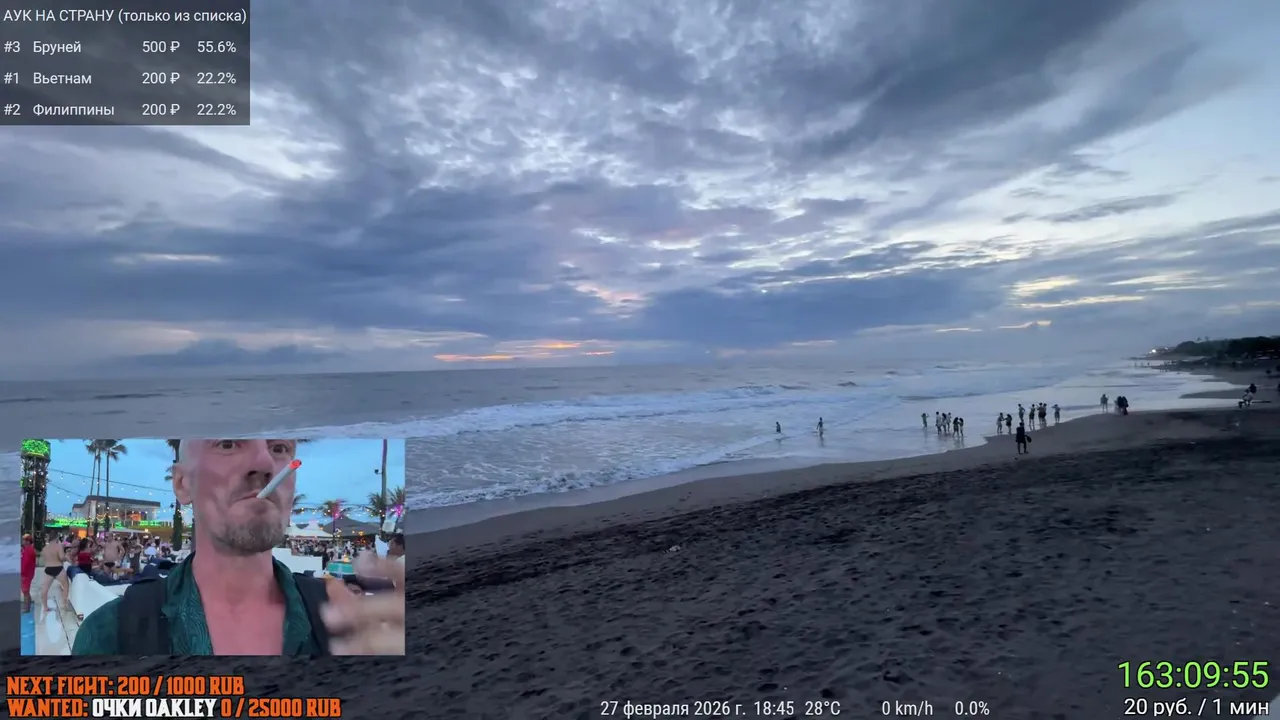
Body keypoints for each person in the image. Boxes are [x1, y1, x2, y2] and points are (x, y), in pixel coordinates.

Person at [73, 439, 405, 656]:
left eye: (279, 448)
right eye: (229, 443)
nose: (264, 463)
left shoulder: (348, 626)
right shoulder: (110, 636)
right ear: (183, 483)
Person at [39, 531, 69, 611]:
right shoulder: (58, 546)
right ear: (56, 537)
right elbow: (62, 557)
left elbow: (44, 559)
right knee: (65, 586)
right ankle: (64, 605)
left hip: (48, 569)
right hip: (58, 568)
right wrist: (66, 558)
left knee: (45, 589)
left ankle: (45, 607)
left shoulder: (45, 548)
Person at [20, 534, 37, 613]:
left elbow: (26, 564)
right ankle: (27, 605)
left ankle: (26, 608)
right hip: (27, 573)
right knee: (25, 591)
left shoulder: (29, 550)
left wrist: (22, 573)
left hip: (26, 574)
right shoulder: (27, 549)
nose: (22, 541)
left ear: (28, 541)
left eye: (24, 540)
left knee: (25, 591)